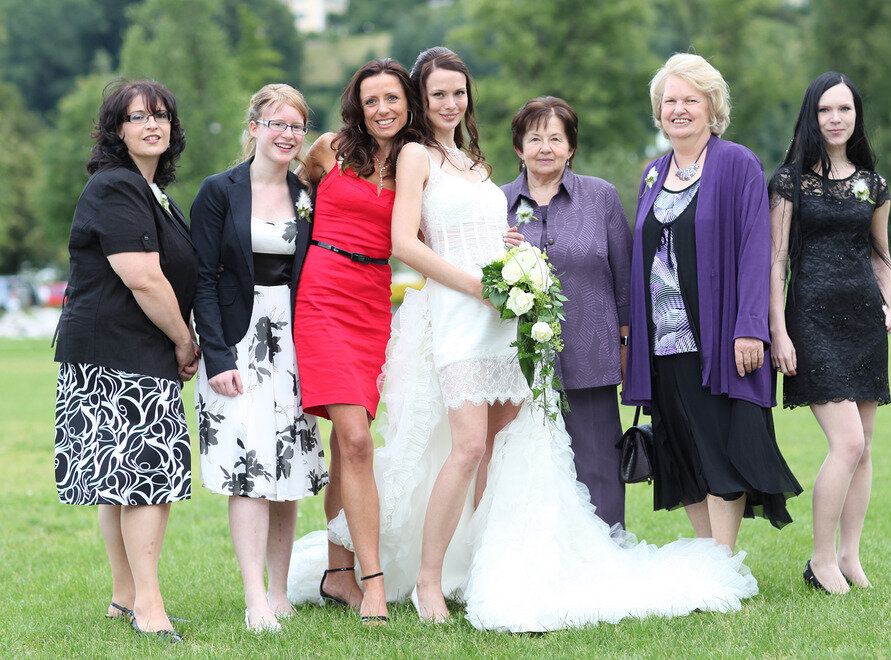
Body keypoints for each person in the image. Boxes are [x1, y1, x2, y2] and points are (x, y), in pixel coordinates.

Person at [290, 46, 758, 633]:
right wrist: (476, 284)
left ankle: (476, 564)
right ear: (421, 100)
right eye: (437, 94)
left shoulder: (471, 160)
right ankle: (428, 578)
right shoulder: (414, 154)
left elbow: (467, 229)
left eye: (458, 92)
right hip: (460, 313)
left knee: (496, 446)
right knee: (467, 447)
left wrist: (507, 252)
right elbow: (404, 242)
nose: (449, 103)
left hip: (499, 319)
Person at [623, 53, 802, 552]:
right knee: (682, 447)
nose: (678, 109)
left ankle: (723, 559)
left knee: (721, 447)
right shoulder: (653, 173)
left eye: (691, 100)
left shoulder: (738, 164)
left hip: (718, 336)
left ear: (712, 107)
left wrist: (751, 327)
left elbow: (755, 249)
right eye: (670, 101)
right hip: (664, 341)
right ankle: (708, 558)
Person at [53, 79, 197, 643]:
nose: (151, 125)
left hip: (125, 349)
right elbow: (143, 277)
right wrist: (184, 340)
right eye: (138, 117)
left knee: (123, 480)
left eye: (161, 115)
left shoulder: (151, 190)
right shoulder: (116, 185)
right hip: (118, 350)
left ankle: (125, 596)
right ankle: (149, 608)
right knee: (146, 479)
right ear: (118, 129)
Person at [289, 59, 422, 625]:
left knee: (349, 447)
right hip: (322, 294)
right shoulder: (329, 150)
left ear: (408, 104)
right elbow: (283, 199)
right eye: (372, 100)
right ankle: (373, 582)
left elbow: (433, 233)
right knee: (356, 439)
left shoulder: (418, 164)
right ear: (357, 107)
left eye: (392, 98)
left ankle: (337, 572)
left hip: (373, 302)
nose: (383, 109)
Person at [189, 84, 325, 632]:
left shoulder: (306, 192)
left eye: (296, 126)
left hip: (294, 340)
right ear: (254, 128)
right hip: (236, 341)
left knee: (286, 464)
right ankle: (254, 600)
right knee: (248, 465)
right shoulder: (219, 191)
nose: (287, 135)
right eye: (276, 124)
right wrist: (217, 356)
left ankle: (280, 591)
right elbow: (201, 279)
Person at [768, 72, 891, 595]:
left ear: (856, 116)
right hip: (811, 321)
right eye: (825, 110)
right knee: (847, 442)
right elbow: (776, 262)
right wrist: (778, 331)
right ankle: (820, 560)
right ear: (811, 116)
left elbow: (880, 255)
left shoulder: (873, 185)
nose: (835, 119)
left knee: (865, 445)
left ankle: (849, 555)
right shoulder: (789, 181)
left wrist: (886, 305)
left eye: (844, 109)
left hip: (864, 323)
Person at [501, 96, 632, 529]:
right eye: (534, 139)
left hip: (591, 353)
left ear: (571, 147)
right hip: (516, 361)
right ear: (519, 147)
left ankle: (606, 547)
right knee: (523, 466)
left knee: (598, 462)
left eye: (556, 138)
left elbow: (625, 279)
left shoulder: (601, 197)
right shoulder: (496, 203)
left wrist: (627, 346)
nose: (545, 148)